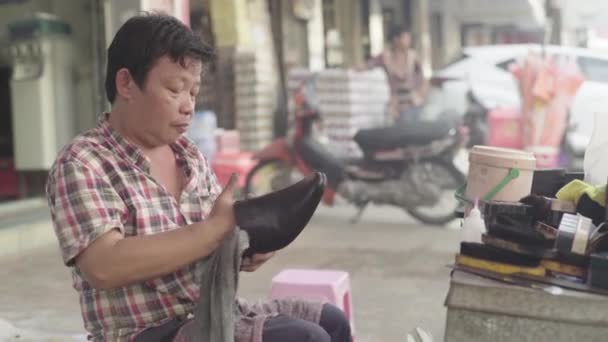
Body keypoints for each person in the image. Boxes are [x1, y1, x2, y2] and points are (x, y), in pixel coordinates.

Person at [46, 13, 351, 342]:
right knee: (303, 339)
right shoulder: (83, 161)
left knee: (331, 321)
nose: (188, 106)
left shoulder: (189, 156)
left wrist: (241, 248)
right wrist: (213, 231)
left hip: (212, 312)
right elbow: (104, 265)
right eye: (175, 89)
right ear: (126, 84)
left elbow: (210, 240)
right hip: (143, 332)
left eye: (193, 92)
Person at [367, 26, 428, 122]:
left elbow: (423, 78)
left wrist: (421, 94)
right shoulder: (385, 57)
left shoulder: (412, 56)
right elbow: (368, 65)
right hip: (397, 105)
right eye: (406, 38)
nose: (409, 41)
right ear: (396, 39)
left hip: (415, 103)